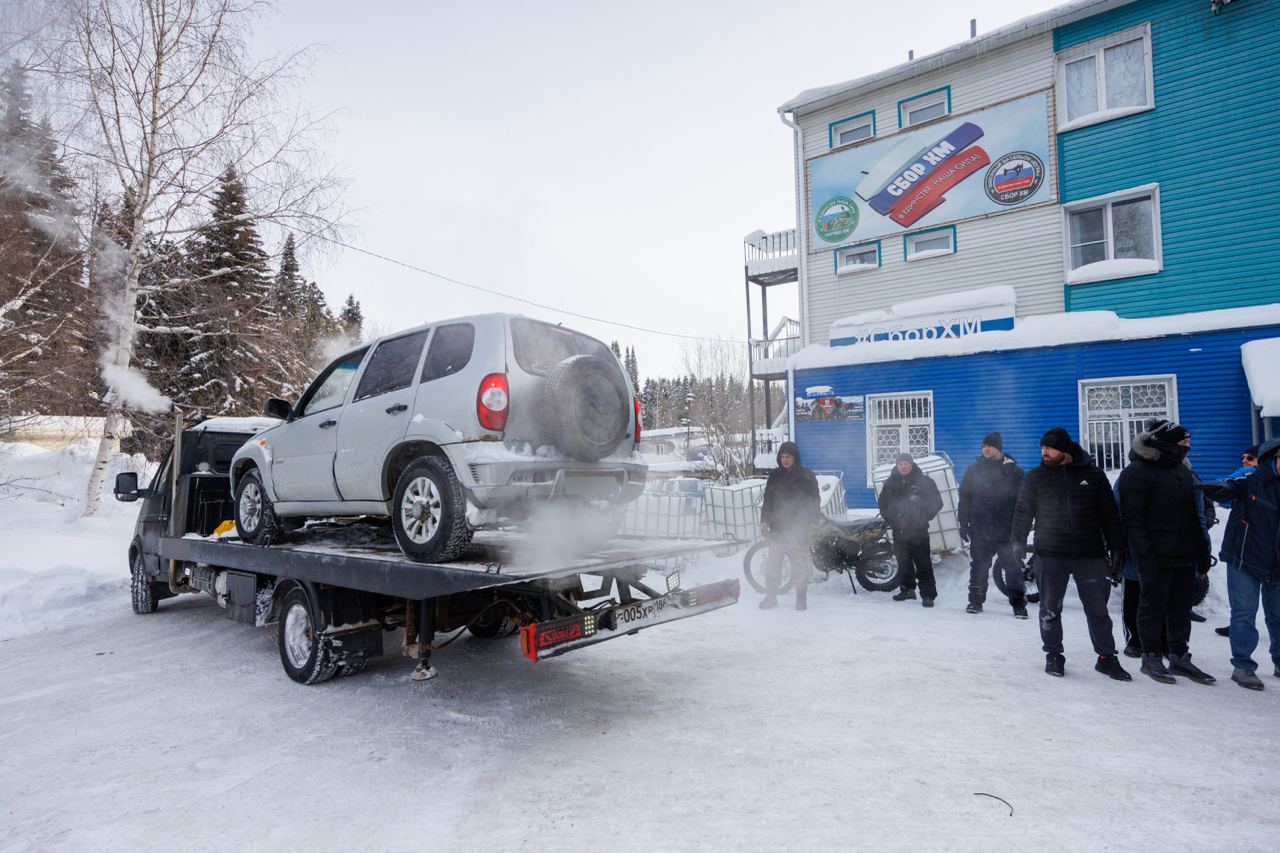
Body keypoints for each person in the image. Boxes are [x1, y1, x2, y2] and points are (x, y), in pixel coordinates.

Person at [1009, 427, 1130, 680]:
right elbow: (1023, 512)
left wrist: (1117, 547)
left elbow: (1109, 514)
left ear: (1065, 450)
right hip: (1050, 553)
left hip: (1090, 553)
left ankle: (1106, 657)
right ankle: (1054, 654)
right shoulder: (1035, 477)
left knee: (1098, 610)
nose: (1044, 453)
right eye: (1042, 448)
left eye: (1049, 448)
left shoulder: (1093, 475)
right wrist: (1018, 541)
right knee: (1050, 609)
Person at [1117, 420, 1215, 684]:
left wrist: (1202, 551)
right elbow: (1132, 519)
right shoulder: (1136, 472)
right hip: (1154, 555)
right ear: (1167, 443)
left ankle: (1179, 656)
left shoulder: (1182, 471)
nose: (1187, 447)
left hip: (1184, 553)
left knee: (1181, 609)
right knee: (1152, 607)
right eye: (1183, 443)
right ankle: (1150, 656)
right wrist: (1143, 556)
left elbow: (1194, 515)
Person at [1201, 438, 1280, 691]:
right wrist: (1221, 488)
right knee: (1244, 613)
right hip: (1245, 557)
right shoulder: (1250, 480)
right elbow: (1230, 484)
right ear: (1271, 459)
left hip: (1277, 562)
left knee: (1278, 614)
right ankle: (1243, 665)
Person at [957, 431, 1027, 618]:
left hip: (1006, 531)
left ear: (999, 448)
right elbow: (965, 499)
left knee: (1012, 568)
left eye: (990, 446)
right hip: (980, 529)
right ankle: (975, 602)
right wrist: (963, 523)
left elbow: (1024, 503)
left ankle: (1019, 605)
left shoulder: (1015, 472)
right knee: (979, 567)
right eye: (984, 446)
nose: (986, 449)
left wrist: (1020, 529)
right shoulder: (973, 470)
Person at [758, 441, 820, 611]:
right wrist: (765, 521)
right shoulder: (775, 476)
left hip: (798, 527)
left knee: (799, 564)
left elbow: (814, 501)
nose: (785, 460)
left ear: (795, 458)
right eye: (782, 457)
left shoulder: (806, 475)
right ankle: (771, 596)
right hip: (777, 527)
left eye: (788, 457)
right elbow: (768, 500)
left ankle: (801, 598)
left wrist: (813, 524)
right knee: (773, 563)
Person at [878, 452, 943, 607]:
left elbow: (937, 502)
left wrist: (924, 516)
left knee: (923, 563)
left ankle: (928, 595)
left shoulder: (924, 481)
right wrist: (891, 518)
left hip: (918, 530)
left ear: (911, 464)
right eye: (901, 464)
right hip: (899, 530)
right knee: (903, 562)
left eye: (906, 463)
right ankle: (907, 590)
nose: (904, 466)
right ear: (897, 465)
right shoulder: (891, 482)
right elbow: (882, 503)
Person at [1214, 446, 1258, 638]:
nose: (1245, 461)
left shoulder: (1257, 478)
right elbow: (1225, 486)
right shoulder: (1242, 480)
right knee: (1242, 603)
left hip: (1266, 548)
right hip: (1242, 545)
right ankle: (1238, 626)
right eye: (1243, 458)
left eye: (1250, 458)